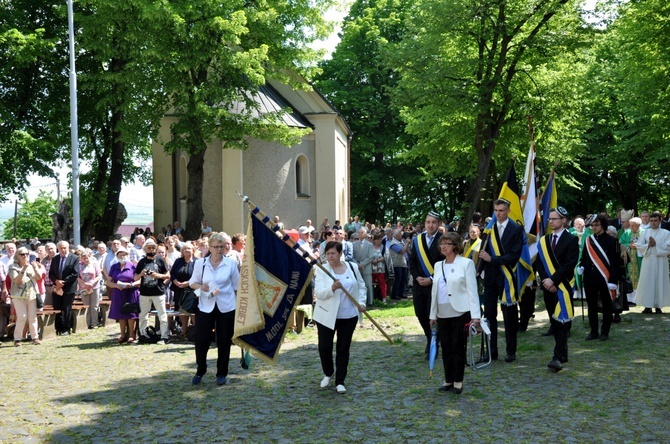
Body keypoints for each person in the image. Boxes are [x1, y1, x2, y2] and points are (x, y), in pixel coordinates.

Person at [429, 233, 481, 394]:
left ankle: (458, 380)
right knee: (445, 347)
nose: (443, 246)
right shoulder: (438, 265)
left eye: (447, 243)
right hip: (442, 312)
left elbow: (472, 291)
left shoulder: (466, 264)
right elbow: (435, 292)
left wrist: (476, 315)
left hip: (460, 311)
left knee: (457, 347)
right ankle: (448, 379)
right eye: (441, 244)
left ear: (456, 245)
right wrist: (432, 315)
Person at [313, 241, 367, 394]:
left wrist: (361, 302)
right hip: (326, 315)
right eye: (328, 254)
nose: (330, 257)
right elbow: (320, 293)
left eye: (333, 253)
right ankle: (328, 372)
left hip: (348, 315)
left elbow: (361, 286)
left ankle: (340, 381)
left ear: (340, 253)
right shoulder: (322, 269)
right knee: (324, 347)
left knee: (343, 348)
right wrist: (332, 288)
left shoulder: (352, 267)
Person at [189, 232, 240, 386]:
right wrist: (200, 286)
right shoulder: (200, 263)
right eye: (216, 247)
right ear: (209, 247)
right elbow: (192, 282)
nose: (219, 250)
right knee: (201, 340)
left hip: (226, 305)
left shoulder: (230, 263)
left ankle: (221, 373)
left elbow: (237, 287)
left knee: (224, 340)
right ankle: (201, 369)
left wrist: (239, 308)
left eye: (221, 247)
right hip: (205, 305)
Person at [478, 199, 524, 362]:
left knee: (509, 316)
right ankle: (491, 351)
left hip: (507, 277)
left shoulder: (517, 229)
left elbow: (514, 255)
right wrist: (479, 271)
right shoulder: (488, 229)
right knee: (489, 315)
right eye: (496, 210)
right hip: (490, 277)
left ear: (508, 211)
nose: (498, 213)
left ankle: (511, 351)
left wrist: (493, 259)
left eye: (501, 210)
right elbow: (483, 252)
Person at [536, 207, 579, 371]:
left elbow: (570, 264)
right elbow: (539, 262)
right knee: (554, 321)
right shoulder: (544, 240)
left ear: (563, 220)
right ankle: (563, 352)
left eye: (554, 219)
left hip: (563, 286)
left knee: (561, 322)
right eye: (550, 219)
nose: (551, 221)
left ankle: (557, 357)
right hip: (548, 286)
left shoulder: (571, 239)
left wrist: (553, 280)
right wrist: (547, 281)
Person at [579, 214, 620, 341]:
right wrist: (581, 266)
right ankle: (593, 331)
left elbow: (615, 262)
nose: (594, 227)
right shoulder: (588, 240)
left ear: (603, 225)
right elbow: (584, 257)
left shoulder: (612, 241)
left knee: (607, 306)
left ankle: (605, 332)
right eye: (592, 225)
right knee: (591, 306)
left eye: (597, 225)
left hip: (605, 278)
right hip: (590, 278)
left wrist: (613, 280)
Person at [409, 210, 444, 359]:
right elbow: (412, 262)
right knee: (420, 313)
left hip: (435, 284)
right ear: (425, 224)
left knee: (433, 315)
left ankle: (433, 343)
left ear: (439, 224)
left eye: (434, 222)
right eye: (428, 222)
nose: (430, 225)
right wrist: (417, 277)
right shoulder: (417, 240)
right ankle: (431, 339)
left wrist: (431, 278)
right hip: (419, 284)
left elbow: (445, 264)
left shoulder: (444, 240)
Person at [135, 239, 170, 344]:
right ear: (145, 249)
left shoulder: (160, 260)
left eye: (153, 247)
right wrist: (141, 274)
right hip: (144, 293)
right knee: (143, 315)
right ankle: (144, 335)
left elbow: (168, 275)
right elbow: (135, 277)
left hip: (158, 292)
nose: (151, 249)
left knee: (162, 315)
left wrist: (157, 275)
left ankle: (164, 336)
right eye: (149, 247)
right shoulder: (141, 262)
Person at [635, 211, 670, 313]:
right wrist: (648, 245)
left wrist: (656, 244)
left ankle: (659, 306)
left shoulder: (666, 233)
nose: (653, 223)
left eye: (655, 221)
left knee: (660, 281)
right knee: (648, 282)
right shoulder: (645, 232)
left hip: (660, 260)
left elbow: (668, 246)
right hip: (648, 260)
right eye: (651, 221)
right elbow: (639, 246)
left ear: (660, 221)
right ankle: (647, 305)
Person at [106, 247, 140, 343]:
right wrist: (116, 285)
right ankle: (122, 335)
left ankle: (132, 335)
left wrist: (132, 284)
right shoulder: (114, 267)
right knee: (120, 314)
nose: (122, 257)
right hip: (118, 292)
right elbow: (108, 281)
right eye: (120, 255)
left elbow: (140, 279)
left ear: (128, 255)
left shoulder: (133, 266)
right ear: (117, 256)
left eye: (124, 255)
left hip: (131, 292)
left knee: (131, 314)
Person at [9, 247, 41, 345]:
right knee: (22, 316)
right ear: (17, 256)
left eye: (27, 254)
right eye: (22, 254)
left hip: (31, 294)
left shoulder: (31, 266)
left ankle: (35, 337)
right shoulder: (13, 266)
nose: (25, 256)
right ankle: (17, 338)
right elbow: (17, 281)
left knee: (32, 316)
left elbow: (39, 277)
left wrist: (35, 268)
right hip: (18, 296)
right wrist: (24, 269)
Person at [48, 241, 80, 336]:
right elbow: (51, 273)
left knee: (66, 308)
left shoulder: (74, 258)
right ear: (58, 249)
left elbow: (75, 273)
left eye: (65, 248)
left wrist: (63, 282)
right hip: (57, 287)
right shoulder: (55, 259)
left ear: (68, 248)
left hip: (69, 287)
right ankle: (58, 327)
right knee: (57, 307)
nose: (63, 250)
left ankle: (66, 328)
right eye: (61, 248)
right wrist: (56, 281)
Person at [170, 242, 196, 338]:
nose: (187, 250)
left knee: (193, 311)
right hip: (179, 290)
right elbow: (172, 273)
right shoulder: (178, 261)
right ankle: (184, 330)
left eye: (189, 248)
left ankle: (194, 330)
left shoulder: (197, 261)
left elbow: (199, 276)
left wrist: (188, 283)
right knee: (181, 311)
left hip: (192, 290)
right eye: (185, 249)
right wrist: (175, 281)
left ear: (193, 250)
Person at [77, 249, 103, 329]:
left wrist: (92, 283)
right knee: (86, 306)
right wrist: (83, 283)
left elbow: (99, 275)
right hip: (84, 288)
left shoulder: (95, 264)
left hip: (94, 287)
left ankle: (94, 323)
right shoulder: (79, 265)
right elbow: (77, 276)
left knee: (94, 306)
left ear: (90, 257)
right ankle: (87, 323)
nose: (85, 259)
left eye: (87, 257)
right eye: (83, 257)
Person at [352, 227, 375, 306]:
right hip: (357, 267)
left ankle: (370, 301)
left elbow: (371, 257)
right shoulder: (354, 244)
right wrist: (357, 264)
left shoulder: (370, 245)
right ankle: (359, 301)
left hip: (366, 267)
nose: (360, 234)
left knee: (368, 284)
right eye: (359, 232)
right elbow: (352, 256)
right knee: (358, 285)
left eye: (362, 232)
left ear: (365, 234)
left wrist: (362, 264)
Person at [371, 233, 392, 304]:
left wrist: (377, 260)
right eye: (378, 239)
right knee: (370, 283)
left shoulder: (384, 248)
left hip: (380, 268)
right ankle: (371, 298)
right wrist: (372, 260)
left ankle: (384, 298)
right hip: (371, 269)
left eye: (380, 239)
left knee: (382, 283)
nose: (379, 240)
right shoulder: (370, 247)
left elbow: (386, 257)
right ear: (374, 240)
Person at [388, 229, 410, 300]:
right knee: (398, 279)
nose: (401, 235)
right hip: (397, 264)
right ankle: (395, 294)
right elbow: (402, 251)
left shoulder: (401, 242)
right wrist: (407, 243)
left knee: (403, 279)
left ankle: (401, 293)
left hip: (403, 263)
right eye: (400, 234)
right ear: (396, 235)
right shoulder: (394, 243)